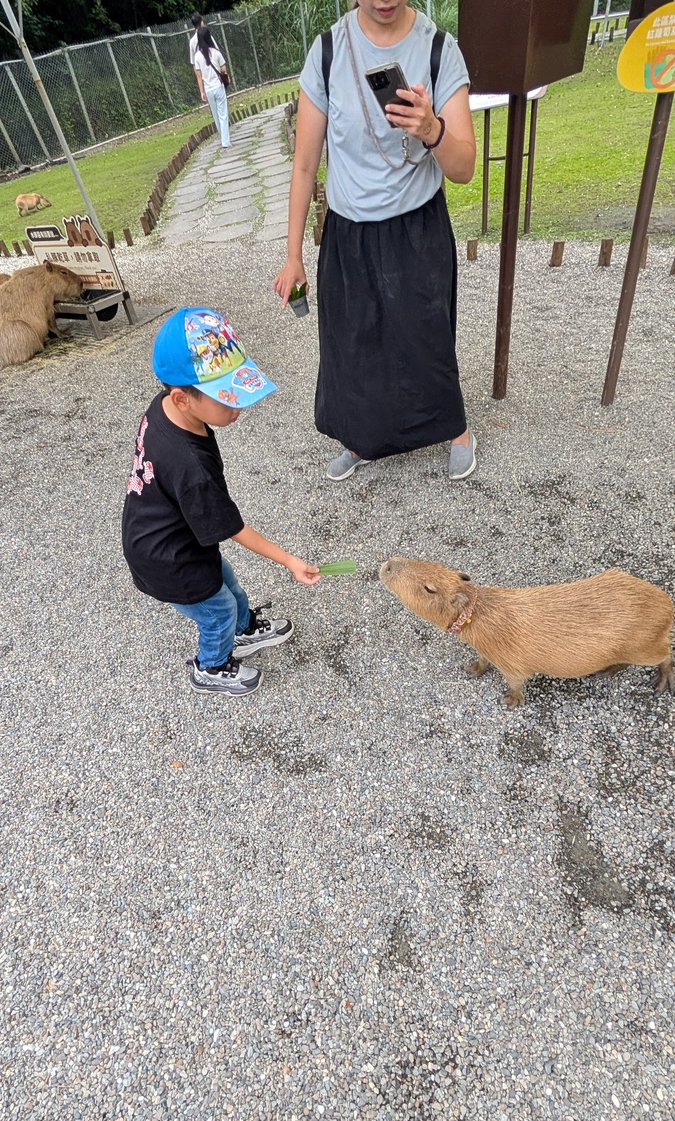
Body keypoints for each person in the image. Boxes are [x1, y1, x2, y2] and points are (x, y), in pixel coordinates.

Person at [274, 0, 477, 483]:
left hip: (417, 225)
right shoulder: (326, 52)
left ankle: (457, 431)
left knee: (426, 335)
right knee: (353, 343)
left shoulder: (438, 48)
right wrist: (292, 255)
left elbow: (465, 167)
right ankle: (361, 438)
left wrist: (430, 128)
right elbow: (304, 166)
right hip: (348, 231)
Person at [122, 307, 320, 698]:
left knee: (227, 583)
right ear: (182, 398)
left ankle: (244, 630)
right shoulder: (190, 467)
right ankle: (210, 666)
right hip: (167, 557)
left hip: (174, 534)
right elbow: (234, 529)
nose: (238, 407)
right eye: (227, 399)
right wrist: (290, 561)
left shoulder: (165, 406)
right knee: (217, 611)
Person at [194, 26, 231, 149]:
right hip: (219, 87)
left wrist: (202, 92)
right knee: (223, 114)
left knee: (216, 115)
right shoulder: (216, 52)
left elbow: (199, 77)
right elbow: (223, 69)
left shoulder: (197, 57)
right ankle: (225, 141)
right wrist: (227, 77)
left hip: (208, 89)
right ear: (209, 37)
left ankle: (222, 138)